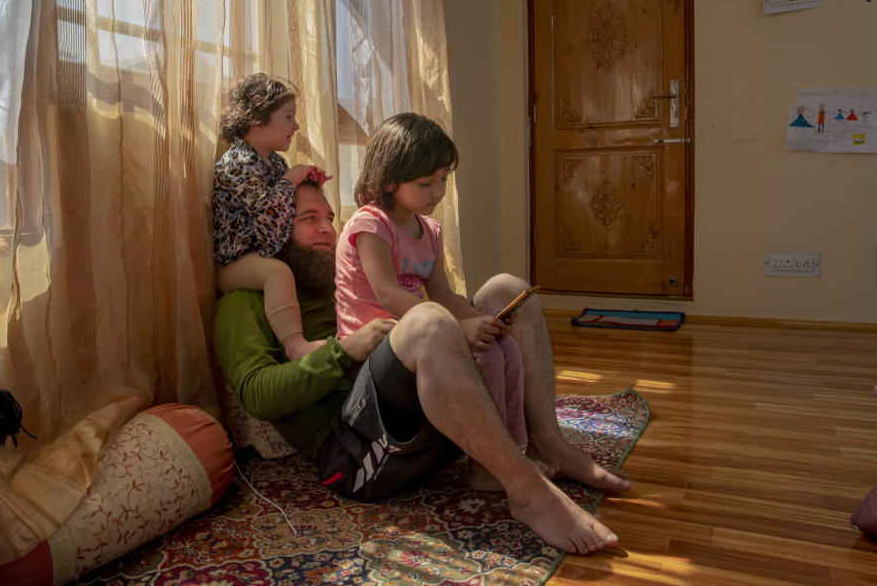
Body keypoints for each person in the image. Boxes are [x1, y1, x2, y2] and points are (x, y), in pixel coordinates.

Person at [212, 180, 632, 555]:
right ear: (275, 230)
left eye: (328, 216)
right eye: (308, 218)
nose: (326, 227)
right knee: (427, 322)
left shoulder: (341, 279)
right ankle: (524, 489)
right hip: (358, 457)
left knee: (509, 291)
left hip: (433, 427)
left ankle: (547, 441)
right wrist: (345, 350)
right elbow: (258, 394)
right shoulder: (245, 301)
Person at [333, 112, 529, 490]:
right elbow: (389, 296)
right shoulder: (370, 224)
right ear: (389, 180)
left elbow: (440, 293)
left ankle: (515, 452)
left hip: (417, 334)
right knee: (485, 356)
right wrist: (460, 330)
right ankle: (487, 464)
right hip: (374, 356)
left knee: (504, 349)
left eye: (443, 179)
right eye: (426, 183)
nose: (438, 192)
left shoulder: (430, 230)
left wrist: (482, 321)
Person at [213, 73, 331, 361]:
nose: (296, 126)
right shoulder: (237, 163)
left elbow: (287, 207)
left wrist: (307, 182)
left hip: (265, 250)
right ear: (257, 119)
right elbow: (268, 221)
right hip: (237, 260)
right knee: (276, 272)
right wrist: (291, 180)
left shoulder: (275, 161)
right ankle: (295, 346)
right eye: (288, 117)